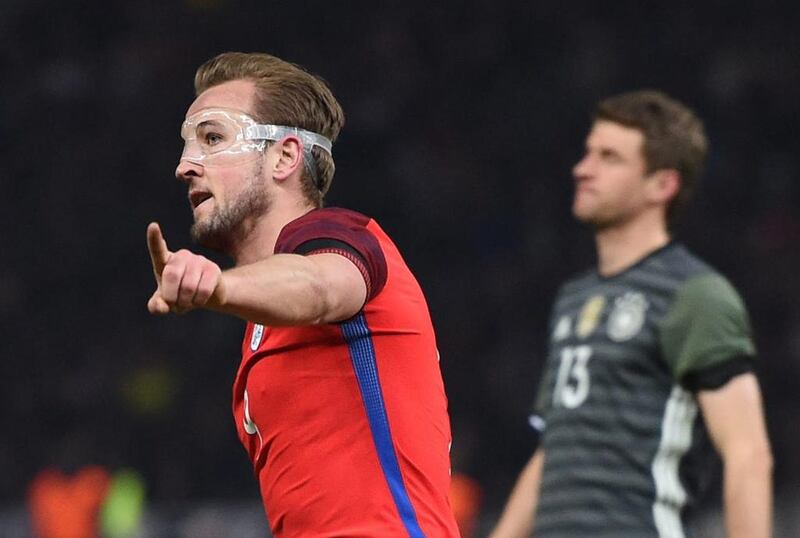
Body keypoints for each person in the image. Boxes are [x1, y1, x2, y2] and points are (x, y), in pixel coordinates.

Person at [146, 52, 460, 537]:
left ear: (285, 157)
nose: (185, 165)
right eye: (189, 145)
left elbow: (319, 285)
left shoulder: (342, 235)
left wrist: (217, 285)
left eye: (213, 138)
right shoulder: (259, 322)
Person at [490, 90, 772, 537]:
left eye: (610, 157)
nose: (583, 169)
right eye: (587, 153)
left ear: (662, 185)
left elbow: (747, 452)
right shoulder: (574, 298)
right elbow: (559, 444)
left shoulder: (695, 295)